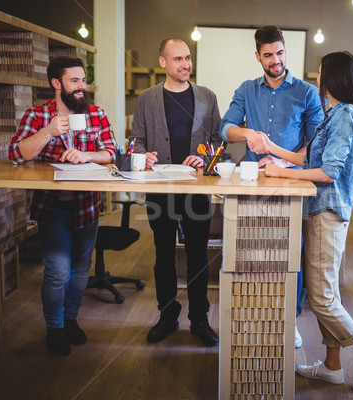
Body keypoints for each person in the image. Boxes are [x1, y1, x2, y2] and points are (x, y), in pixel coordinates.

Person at [261, 51, 353, 393]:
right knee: (325, 293)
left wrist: (280, 174)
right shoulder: (334, 115)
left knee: (322, 299)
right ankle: (332, 367)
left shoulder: (346, 115)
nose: (316, 78)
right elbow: (307, 157)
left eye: (319, 73)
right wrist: (276, 153)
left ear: (330, 77)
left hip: (328, 213)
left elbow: (328, 173)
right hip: (319, 211)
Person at [219, 25, 324, 348]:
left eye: (279, 52)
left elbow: (315, 144)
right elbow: (226, 128)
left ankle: (289, 319)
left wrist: (286, 166)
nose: (275, 60)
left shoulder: (307, 93)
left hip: (291, 182)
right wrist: (246, 134)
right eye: (268, 55)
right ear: (258, 56)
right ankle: (255, 314)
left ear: (285, 50)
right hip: (252, 182)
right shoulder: (246, 89)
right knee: (253, 251)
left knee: (290, 252)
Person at [8, 56, 117, 356]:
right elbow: (17, 155)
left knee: (81, 268)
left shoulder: (95, 113)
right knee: (57, 271)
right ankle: (54, 327)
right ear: (56, 84)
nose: (82, 86)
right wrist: (48, 132)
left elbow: (112, 153)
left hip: (88, 205)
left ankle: (71, 320)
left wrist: (88, 156)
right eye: (75, 81)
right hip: (52, 207)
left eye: (83, 80)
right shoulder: (37, 114)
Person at [132, 38, 220, 347]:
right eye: (178, 58)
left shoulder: (207, 97)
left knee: (198, 256)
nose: (185, 64)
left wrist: (206, 157)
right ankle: (167, 316)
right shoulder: (146, 99)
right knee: (163, 255)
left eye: (188, 58)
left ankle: (200, 319)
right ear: (163, 62)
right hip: (160, 190)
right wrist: (143, 156)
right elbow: (136, 141)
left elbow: (216, 142)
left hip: (196, 191)